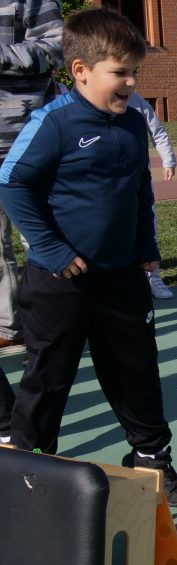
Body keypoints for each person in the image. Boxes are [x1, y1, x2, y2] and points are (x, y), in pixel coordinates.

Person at [0, 8, 177, 505]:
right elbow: (12, 183)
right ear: (81, 71)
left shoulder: (130, 123)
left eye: (135, 72)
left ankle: (152, 458)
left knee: (137, 373)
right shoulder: (54, 122)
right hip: (59, 281)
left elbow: (140, 189)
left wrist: (146, 247)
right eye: (120, 72)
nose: (131, 82)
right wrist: (52, 249)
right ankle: (30, 469)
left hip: (122, 276)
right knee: (48, 378)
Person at [0, 0, 63, 356]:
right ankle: (9, 327)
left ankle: (53, 330)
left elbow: (55, 46)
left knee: (41, 240)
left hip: (26, 139)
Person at [127, 91, 177, 300]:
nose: (129, 81)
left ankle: (154, 278)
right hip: (106, 186)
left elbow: (157, 131)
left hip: (139, 181)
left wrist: (168, 160)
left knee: (148, 227)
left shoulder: (137, 101)